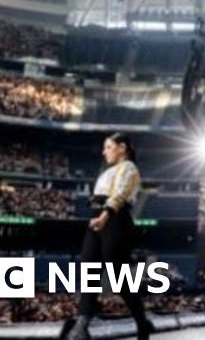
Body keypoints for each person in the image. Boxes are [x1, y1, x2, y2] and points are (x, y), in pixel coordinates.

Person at [65, 133, 152, 340]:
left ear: (122, 148)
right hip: (97, 218)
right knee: (89, 270)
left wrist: (105, 216)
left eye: (108, 147)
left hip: (114, 219)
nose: (104, 152)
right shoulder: (108, 171)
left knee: (118, 276)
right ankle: (81, 325)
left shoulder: (129, 168)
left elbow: (119, 195)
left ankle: (142, 321)